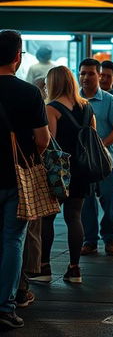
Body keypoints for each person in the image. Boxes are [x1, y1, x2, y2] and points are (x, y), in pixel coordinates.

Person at [0, 30, 50, 330]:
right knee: (12, 241)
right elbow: (43, 139)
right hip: (18, 177)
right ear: (17, 57)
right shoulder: (30, 92)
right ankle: (5, 306)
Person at [41, 66, 97, 285]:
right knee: (74, 217)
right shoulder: (87, 107)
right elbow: (93, 138)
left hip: (59, 171)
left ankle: (44, 267)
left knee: (48, 218)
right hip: (82, 170)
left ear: (53, 83)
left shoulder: (51, 109)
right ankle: (74, 269)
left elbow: (49, 142)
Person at [79, 59, 113, 256]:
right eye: (83, 73)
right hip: (83, 162)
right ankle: (90, 240)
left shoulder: (109, 100)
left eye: (90, 73)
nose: (86, 77)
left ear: (99, 75)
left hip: (108, 161)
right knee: (86, 201)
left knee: (109, 199)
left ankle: (109, 237)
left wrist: (99, 146)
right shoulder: (75, 99)